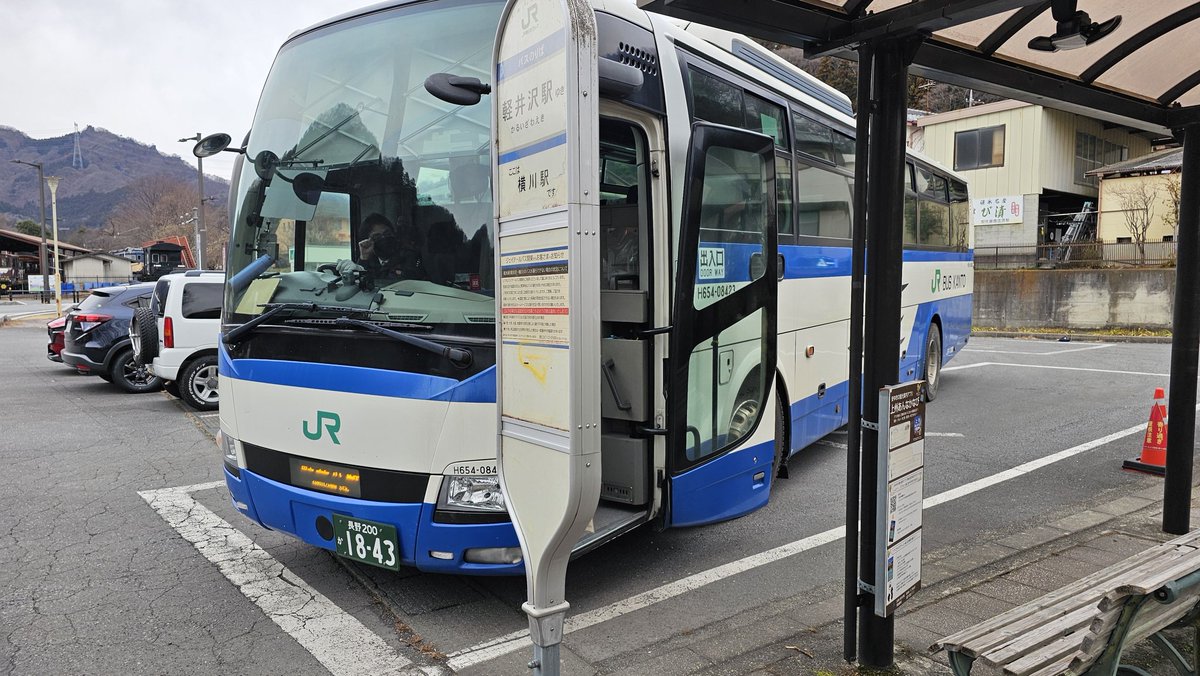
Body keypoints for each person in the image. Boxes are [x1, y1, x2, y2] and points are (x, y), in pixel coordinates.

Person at [338, 213, 426, 282]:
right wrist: (363, 259)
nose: (384, 238)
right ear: (368, 241)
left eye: (387, 234)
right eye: (377, 237)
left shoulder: (409, 255)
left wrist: (362, 270)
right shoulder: (371, 259)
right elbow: (362, 288)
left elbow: (397, 282)